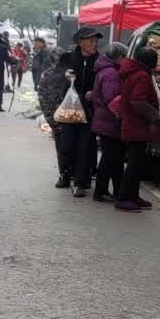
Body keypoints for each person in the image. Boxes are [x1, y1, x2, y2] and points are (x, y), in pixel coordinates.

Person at [116, 46, 160, 211]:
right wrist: (155, 117)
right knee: (134, 165)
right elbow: (138, 101)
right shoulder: (142, 76)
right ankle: (124, 198)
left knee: (137, 164)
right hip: (137, 126)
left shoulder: (134, 72)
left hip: (133, 124)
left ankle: (133, 196)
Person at [59, 26, 101, 198]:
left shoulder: (99, 60)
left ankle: (80, 182)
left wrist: (95, 92)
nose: (94, 43)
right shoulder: (67, 58)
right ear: (79, 42)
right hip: (69, 110)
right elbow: (55, 78)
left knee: (85, 147)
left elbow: (105, 80)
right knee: (67, 145)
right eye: (90, 40)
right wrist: (65, 76)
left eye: (96, 40)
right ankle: (66, 174)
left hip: (89, 111)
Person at [90, 41, 126, 203]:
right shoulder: (111, 73)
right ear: (118, 57)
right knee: (109, 158)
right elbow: (112, 99)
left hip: (105, 120)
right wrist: (122, 114)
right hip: (109, 121)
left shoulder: (106, 70)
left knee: (113, 158)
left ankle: (116, 191)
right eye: (124, 57)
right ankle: (101, 191)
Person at [38, 51, 75, 186]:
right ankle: (72, 176)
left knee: (62, 148)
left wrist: (51, 119)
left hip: (61, 118)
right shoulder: (71, 74)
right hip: (71, 118)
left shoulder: (49, 74)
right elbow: (43, 98)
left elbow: (42, 99)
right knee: (70, 148)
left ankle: (66, 176)